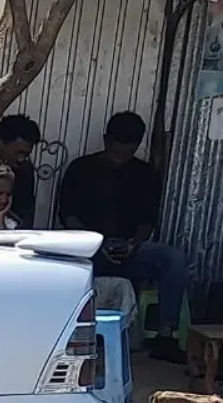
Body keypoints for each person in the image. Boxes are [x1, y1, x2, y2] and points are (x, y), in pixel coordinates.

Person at [57, 111, 189, 363]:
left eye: (127, 153)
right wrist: (97, 243)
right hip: (90, 250)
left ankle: (165, 334)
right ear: (106, 140)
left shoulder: (145, 174)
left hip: (131, 251)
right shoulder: (81, 168)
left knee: (174, 259)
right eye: (116, 152)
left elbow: (148, 220)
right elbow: (68, 215)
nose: (120, 159)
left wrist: (132, 244)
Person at [0, 114, 41, 227]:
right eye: (18, 152)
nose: (21, 159)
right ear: (1, 143)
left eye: (26, 154)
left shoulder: (25, 171)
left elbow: (25, 216)